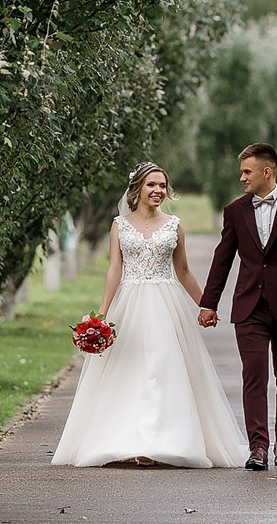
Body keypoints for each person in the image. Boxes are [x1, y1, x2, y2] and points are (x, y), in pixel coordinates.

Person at [51, 163, 243, 468]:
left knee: (162, 368)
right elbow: (114, 269)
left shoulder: (174, 225)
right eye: (152, 185)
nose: (158, 191)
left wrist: (206, 304)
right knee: (131, 368)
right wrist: (101, 313)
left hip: (166, 304)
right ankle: (128, 439)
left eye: (163, 186)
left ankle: (160, 440)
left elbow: (183, 270)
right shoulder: (120, 225)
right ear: (137, 188)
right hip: (129, 303)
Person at [198, 143, 277, 471]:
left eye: (246, 171)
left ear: (266, 172)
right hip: (249, 307)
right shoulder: (235, 211)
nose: (241, 177)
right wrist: (208, 303)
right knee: (254, 376)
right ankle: (258, 447)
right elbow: (222, 259)